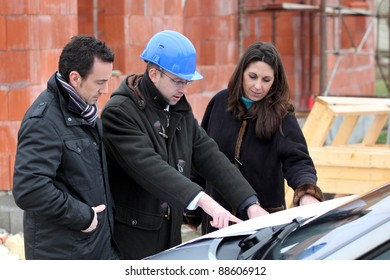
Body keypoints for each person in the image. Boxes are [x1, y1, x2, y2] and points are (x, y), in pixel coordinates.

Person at [101, 30, 268, 260]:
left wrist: (250, 203)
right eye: (178, 81)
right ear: (154, 74)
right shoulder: (120, 113)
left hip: (169, 233)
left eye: (187, 82)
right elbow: (151, 168)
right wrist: (205, 201)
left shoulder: (178, 109)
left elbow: (209, 155)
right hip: (133, 238)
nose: (183, 89)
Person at [196, 41, 324, 234]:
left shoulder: (282, 114)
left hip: (264, 222)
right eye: (252, 77)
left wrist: (307, 193)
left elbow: (297, 160)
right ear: (242, 73)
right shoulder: (219, 103)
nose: (257, 86)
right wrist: (193, 209)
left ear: (275, 81)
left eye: (266, 80)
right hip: (218, 219)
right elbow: (198, 156)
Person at [12, 35, 120, 260]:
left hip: (97, 248)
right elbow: (29, 189)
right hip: (64, 254)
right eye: (100, 82)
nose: (106, 89)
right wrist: (85, 217)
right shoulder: (44, 121)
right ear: (75, 78)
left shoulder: (85, 111)